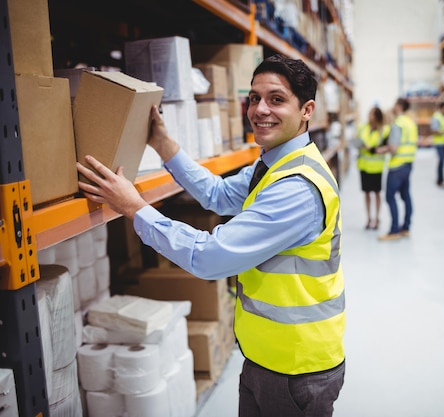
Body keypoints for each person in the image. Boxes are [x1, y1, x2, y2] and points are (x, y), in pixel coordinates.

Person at [76, 54, 346, 417]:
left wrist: (134, 208)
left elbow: (210, 256)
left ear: (307, 110)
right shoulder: (275, 164)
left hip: (296, 368)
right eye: (254, 98)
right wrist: (164, 146)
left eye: (276, 99)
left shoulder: (297, 188)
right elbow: (218, 195)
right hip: (265, 356)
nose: (260, 109)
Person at [377, 97, 418, 241]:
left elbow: (394, 148)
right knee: (406, 195)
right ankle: (406, 227)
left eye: (395, 104)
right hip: (408, 163)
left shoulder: (398, 124)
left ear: (399, 106)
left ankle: (394, 230)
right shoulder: (410, 123)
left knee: (390, 196)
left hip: (397, 165)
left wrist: (382, 150)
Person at [356, 106, 389, 230]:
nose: (370, 116)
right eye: (369, 114)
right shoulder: (362, 128)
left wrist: (373, 149)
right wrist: (360, 145)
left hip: (376, 167)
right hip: (364, 165)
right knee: (366, 193)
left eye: (372, 114)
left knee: (376, 193)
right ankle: (368, 218)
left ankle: (377, 218)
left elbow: (387, 147)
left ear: (378, 117)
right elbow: (358, 140)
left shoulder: (384, 131)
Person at [431, 101, 444, 187]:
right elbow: (434, 130)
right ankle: (440, 180)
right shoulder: (436, 117)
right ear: (442, 108)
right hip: (439, 143)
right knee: (441, 161)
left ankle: (440, 179)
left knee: (442, 161)